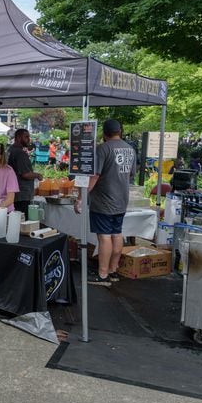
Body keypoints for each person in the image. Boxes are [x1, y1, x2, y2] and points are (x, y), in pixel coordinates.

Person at [74, 119, 136, 286]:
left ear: (104, 134)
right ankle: (113, 270)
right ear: (120, 132)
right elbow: (130, 174)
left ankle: (102, 275)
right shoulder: (130, 149)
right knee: (117, 234)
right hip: (122, 200)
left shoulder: (103, 149)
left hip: (103, 201)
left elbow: (94, 176)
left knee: (105, 237)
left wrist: (81, 197)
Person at [7, 129, 43, 217]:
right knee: (22, 220)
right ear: (19, 138)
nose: (29, 139)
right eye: (26, 137)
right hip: (22, 194)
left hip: (13, 192)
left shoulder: (10, 149)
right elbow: (25, 174)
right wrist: (38, 175)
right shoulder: (20, 153)